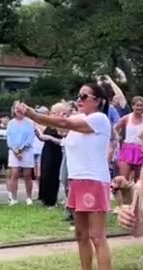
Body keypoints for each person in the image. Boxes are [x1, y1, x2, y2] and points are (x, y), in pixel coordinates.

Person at [16, 83, 112, 270]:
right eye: (78, 96)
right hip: (77, 181)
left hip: (93, 180)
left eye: (84, 97)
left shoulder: (99, 119)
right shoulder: (79, 119)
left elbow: (64, 124)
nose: (79, 100)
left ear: (98, 101)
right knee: (81, 235)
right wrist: (55, 120)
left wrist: (33, 115)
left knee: (97, 236)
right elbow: (62, 128)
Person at [36, 103, 65, 208]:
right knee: (45, 172)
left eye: (53, 112)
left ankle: (52, 200)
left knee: (53, 174)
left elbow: (62, 140)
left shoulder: (62, 124)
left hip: (56, 150)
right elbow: (43, 136)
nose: (51, 114)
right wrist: (39, 135)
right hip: (47, 149)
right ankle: (44, 198)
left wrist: (50, 138)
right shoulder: (50, 124)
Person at [7, 101, 35, 206]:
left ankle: (29, 197)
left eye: (20, 109)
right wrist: (15, 150)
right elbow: (9, 139)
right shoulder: (11, 123)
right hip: (14, 151)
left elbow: (30, 138)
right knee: (14, 174)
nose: (18, 111)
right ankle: (13, 198)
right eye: (16, 109)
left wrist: (22, 149)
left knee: (27, 175)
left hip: (26, 151)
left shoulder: (30, 122)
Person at [115, 96, 143, 182]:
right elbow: (115, 128)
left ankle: (137, 196)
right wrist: (117, 136)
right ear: (132, 106)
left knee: (138, 181)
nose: (139, 107)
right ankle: (122, 195)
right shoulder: (127, 118)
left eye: (141, 105)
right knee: (123, 179)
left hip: (140, 150)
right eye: (137, 105)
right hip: (127, 150)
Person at [33, 106, 48, 185]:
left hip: (41, 148)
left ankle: (41, 186)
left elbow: (44, 132)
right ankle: (38, 187)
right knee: (35, 170)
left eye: (40, 113)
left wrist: (37, 127)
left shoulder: (46, 124)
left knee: (40, 169)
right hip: (33, 148)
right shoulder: (34, 123)